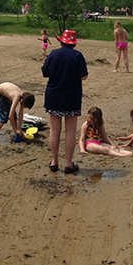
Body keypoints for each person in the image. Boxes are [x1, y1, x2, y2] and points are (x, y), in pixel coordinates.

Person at [42, 30, 89, 174]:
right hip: (71, 96)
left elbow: (45, 73)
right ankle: (68, 163)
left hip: (54, 95)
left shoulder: (53, 54)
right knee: (70, 131)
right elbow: (84, 76)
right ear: (73, 43)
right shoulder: (77, 55)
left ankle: (54, 161)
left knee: (55, 130)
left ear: (61, 41)